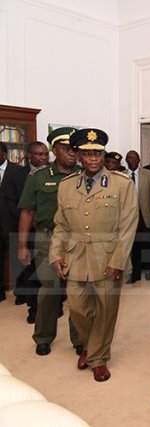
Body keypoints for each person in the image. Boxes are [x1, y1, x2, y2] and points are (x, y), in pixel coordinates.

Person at [49, 128, 138, 382]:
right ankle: (89, 345)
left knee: (106, 309)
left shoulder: (122, 185)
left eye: (97, 153)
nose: (93, 158)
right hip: (75, 257)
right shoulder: (66, 186)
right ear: (77, 155)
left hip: (108, 257)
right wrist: (55, 253)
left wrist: (118, 261)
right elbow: (61, 225)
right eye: (87, 153)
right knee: (77, 309)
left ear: (103, 154)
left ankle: (97, 357)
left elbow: (128, 226)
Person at [17, 128, 83, 356]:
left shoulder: (84, 175)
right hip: (47, 238)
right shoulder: (39, 177)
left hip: (77, 240)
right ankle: (43, 336)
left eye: (74, 149)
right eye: (66, 149)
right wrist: (23, 245)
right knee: (50, 290)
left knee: (77, 291)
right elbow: (27, 212)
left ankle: (80, 339)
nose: (72, 154)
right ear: (54, 150)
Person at [0, 141, 48, 318]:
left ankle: (54, 305)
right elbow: (10, 202)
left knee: (48, 271)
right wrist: (27, 219)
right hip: (25, 230)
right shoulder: (17, 174)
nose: (43, 158)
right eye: (38, 154)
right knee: (29, 272)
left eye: (45, 154)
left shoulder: (51, 173)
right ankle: (34, 309)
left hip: (46, 230)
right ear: (29, 155)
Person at [125, 150, 150, 283]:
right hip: (129, 217)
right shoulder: (122, 176)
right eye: (129, 157)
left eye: (134, 157)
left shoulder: (148, 174)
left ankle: (148, 268)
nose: (132, 159)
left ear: (139, 159)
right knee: (133, 245)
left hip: (146, 215)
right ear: (126, 160)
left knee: (147, 243)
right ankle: (135, 273)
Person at [0, 141, 22, 302]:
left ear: (4, 153)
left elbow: (23, 198)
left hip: (13, 222)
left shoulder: (17, 171)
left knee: (18, 260)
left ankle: (21, 293)